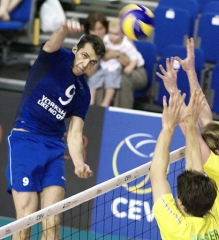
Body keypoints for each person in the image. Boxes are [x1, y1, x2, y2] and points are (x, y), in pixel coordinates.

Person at [6, 19, 105, 239]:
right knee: (26, 220)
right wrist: (63, 29)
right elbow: (52, 43)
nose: (86, 65)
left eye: (93, 62)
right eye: (84, 56)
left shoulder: (83, 92)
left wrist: (79, 162)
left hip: (53, 147)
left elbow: (76, 132)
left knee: (52, 223)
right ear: (75, 49)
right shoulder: (54, 58)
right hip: (26, 140)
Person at [158, 37, 219, 239]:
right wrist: (191, 72)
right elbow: (204, 120)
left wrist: (173, 90)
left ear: (217, 153)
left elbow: (191, 131)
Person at [150, 89, 219, 239]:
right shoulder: (214, 220)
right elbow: (195, 172)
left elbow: (157, 175)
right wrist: (190, 128)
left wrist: (168, 127)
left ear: (180, 203)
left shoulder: (177, 229)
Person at [84, 12, 148, 108]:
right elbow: (89, 73)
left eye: (100, 29)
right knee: (100, 79)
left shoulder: (121, 40)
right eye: (93, 30)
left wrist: (115, 54)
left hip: (134, 71)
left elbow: (129, 63)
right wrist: (98, 53)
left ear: (106, 29)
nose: (97, 33)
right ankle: (97, 112)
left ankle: (121, 116)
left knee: (121, 80)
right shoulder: (88, 44)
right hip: (109, 71)